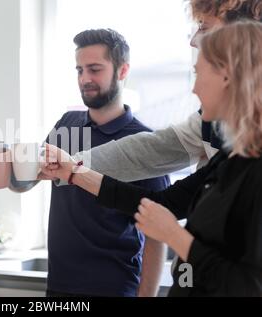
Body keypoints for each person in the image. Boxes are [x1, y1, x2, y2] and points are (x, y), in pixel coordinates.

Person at [42, 20, 262, 297]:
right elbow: (161, 205)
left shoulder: (254, 173)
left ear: (227, 78)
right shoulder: (227, 159)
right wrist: (74, 172)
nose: (193, 89)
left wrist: (174, 236)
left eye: (199, 73)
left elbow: (250, 286)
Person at [13, 29, 170, 297]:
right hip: (58, 288)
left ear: (122, 71)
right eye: (79, 70)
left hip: (113, 290)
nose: (84, 79)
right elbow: (25, 179)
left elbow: (157, 236)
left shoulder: (146, 145)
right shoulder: (66, 125)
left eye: (94, 69)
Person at [71, 0, 262, 182]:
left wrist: (71, 167)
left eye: (204, 27)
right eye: (80, 70)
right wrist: (70, 166)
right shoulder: (212, 119)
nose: (194, 41)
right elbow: (153, 152)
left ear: (242, 33)